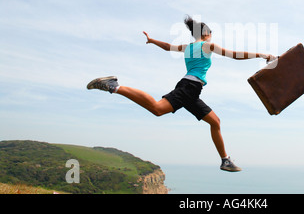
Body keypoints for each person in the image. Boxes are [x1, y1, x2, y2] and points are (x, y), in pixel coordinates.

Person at [87, 15, 276, 172]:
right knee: (157, 108)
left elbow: (169, 47)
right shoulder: (207, 45)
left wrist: (152, 41)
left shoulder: (188, 47)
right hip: (188, 88)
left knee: (215, 122)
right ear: (207, 34)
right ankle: (114, 86)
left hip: (191, 90)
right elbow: (233, 54)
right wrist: (261, 55)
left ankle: (225, 160)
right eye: (211, 34)